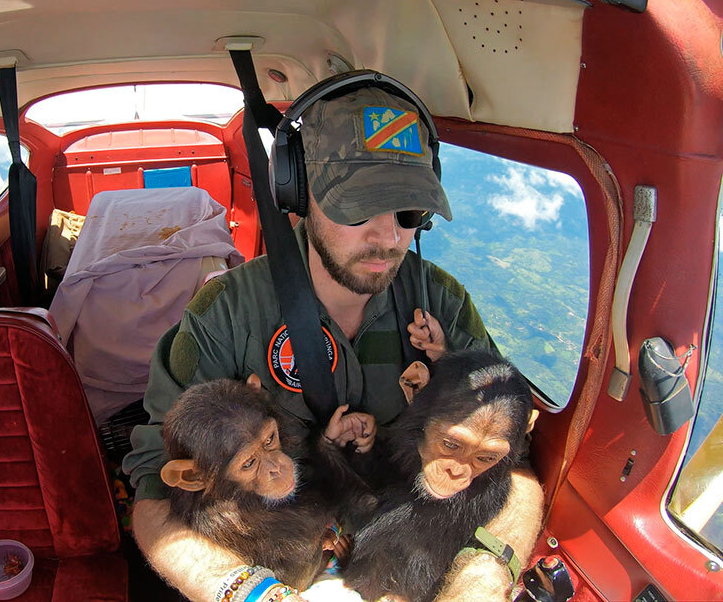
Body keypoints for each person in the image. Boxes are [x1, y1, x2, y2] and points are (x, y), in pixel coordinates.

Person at [122, 83, 543, 601]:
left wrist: (481, 579)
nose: (388, 238)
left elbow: (510, 465)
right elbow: (156, 489)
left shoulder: (443, 303)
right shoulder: (227, 314)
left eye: (408, 213)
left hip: (401, 551)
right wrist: (243, 590)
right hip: (266, 554)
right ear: (298, 192)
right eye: (359, 208)